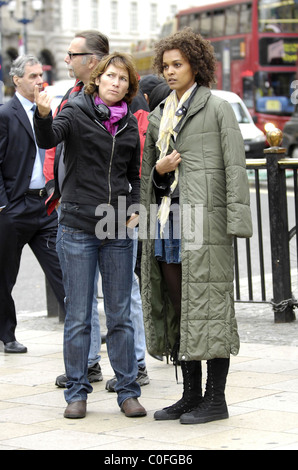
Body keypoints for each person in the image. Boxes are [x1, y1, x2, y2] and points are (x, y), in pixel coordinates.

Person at [139, 28, 253, 425]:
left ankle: (215, 399)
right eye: (165, 66)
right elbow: (148, 179)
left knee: (211, 309)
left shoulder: (217, 108)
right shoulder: (158, 116)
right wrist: (158, 170)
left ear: (195, 66)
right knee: (180, 307)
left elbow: (235, 168)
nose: (170, 72)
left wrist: (237, 222)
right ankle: (190, 395)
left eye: (178, 65)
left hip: (206, 225)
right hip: (168, 223)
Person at [34, 52, 147, 420]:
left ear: (129, 88)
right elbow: (50, 137)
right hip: (78, 224)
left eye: (123, 80)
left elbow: (134, 177)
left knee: (120, 316)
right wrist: (43, 113)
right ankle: (77, 391)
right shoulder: (76, 111)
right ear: (97, 79)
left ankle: (128, 391)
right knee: (80, 316)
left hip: (116, 226)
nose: (116, 83)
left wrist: (135, 209)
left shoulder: (128, 125)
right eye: (110, 76)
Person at [47, 30, 110, 388]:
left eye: (73, 54)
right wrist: (54, 186)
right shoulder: (70, 97)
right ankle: (86, 366)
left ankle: (133, 368)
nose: (67, 60)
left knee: (121, 297)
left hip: (110, 209)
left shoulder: (117, 98)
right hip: (70, 206)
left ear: (93, 59)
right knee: (78, 294)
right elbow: (53, 145)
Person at [0, 55, 65, 354]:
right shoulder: (5, 113)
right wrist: (3, 205)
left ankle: (81, 327)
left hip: (45, 205)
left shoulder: (47, 109)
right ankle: (7, 334)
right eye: (32, 76)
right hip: (14, 208)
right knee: (5, 275)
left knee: (62, 269)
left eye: (41, 75)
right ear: (16, 80)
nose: (40, 81)